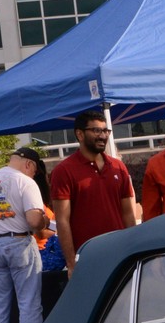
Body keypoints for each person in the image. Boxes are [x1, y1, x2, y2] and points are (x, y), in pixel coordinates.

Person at [0, 146, 51, 323]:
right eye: (35, 171)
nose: (33, 175)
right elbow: (34, 220)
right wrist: (44, 220)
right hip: (18, 243)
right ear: (29, 164)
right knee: (28, 305)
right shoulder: (25, 181)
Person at [48, 110, 135, 272]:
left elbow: (128, 214)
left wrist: (133, 250)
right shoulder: (64, 171)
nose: (103, 136)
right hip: (86, 256)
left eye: (105, 131)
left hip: (119, 253)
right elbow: (62, 221)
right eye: (96, 130)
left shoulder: (118, 167)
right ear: (80, 134)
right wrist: (71, 263)